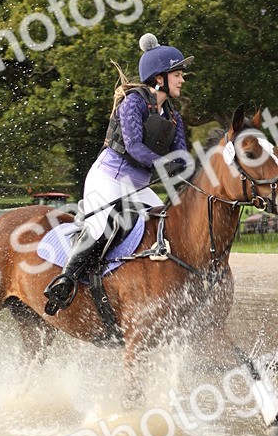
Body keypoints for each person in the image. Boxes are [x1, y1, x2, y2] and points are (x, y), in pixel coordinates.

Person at [43, 33, 193, 315]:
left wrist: (189, 167)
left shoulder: (174, 116)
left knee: (166, 224)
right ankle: (65, 280)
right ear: (159, 78)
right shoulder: (133, 104)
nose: (182, 80)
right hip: (108, 179)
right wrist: (165, 163)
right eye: (177, 74)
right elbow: (134, 146)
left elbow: (181, 154)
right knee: (103, 228)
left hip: (138, 185)